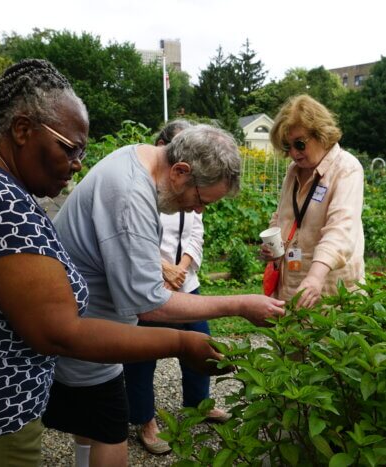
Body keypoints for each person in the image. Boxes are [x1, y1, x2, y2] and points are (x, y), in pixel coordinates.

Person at [0, 59, 225, 467]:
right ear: (22, 130)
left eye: (82, 151)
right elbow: (60, 334)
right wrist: (182, 343)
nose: (78, 163)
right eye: (69, 148)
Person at [41, 123, 285, 466]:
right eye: (201, 200)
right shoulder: (131, 195)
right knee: (110, 432)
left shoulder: (135, 159)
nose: (198, 211)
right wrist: (241, 304)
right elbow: (148, 304)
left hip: (84, 327)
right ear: (180, 172)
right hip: (87, 336)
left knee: (90, 426)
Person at [123, 120, 229, 456]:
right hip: (152, 282)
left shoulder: (194, 188)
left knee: (201, 341)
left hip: (185, 281)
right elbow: (133, 236)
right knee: (143, 353)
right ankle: (145, 419)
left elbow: (195, 233)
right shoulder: (147, 189)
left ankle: (199, 402)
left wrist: (182, 267)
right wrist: (162, 268)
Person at [261, 94, 365, 308]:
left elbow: (341, 229)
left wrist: (315, 277)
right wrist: (273, 247)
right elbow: (282, 216)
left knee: (329, 329)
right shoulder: (293, 172)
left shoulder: (346, 169)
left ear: (321, 134)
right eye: (287, 146)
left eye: (299, 144)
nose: (294, 153)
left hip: (329, 289)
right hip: (291, 284)